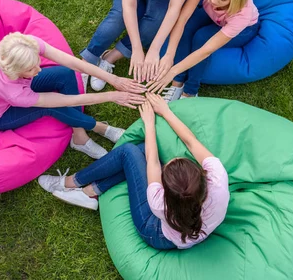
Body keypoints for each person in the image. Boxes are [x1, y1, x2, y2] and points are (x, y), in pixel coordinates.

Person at [37, 93, 229, 249]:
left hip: (155, 231)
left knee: (129, 152)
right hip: (186, 227)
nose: (170, 160)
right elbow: (191, 141)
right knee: (139, 150)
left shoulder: (158, 203)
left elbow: (152, 162)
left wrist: (148, 123)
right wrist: (166, 111)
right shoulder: (217, 178)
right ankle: (90, 192)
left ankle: (71, 182)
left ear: (166, 190)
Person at [0, 32, 146, 159]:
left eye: (37, 62)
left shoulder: (25, 45)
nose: (39, 69)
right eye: (30, 69)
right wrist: (112, 96)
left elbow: (73, 63)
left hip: (19, 85)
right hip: (2, 114)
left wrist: (114, 79)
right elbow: (65, 100)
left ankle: (78, 134)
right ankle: (97, 127)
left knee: (65, 73)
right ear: (16, 71)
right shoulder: (13, 93)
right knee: (56, 109)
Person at [148, 0, 259, 101]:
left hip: (244, 29)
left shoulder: (243, 14)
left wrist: (172, 70)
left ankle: (190, 92)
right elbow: (182, 18)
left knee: (201, 38)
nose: (213, 0)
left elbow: (206, 50)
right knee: (187, 26)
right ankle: (177, 84)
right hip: (212, 16)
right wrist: (169, 55)